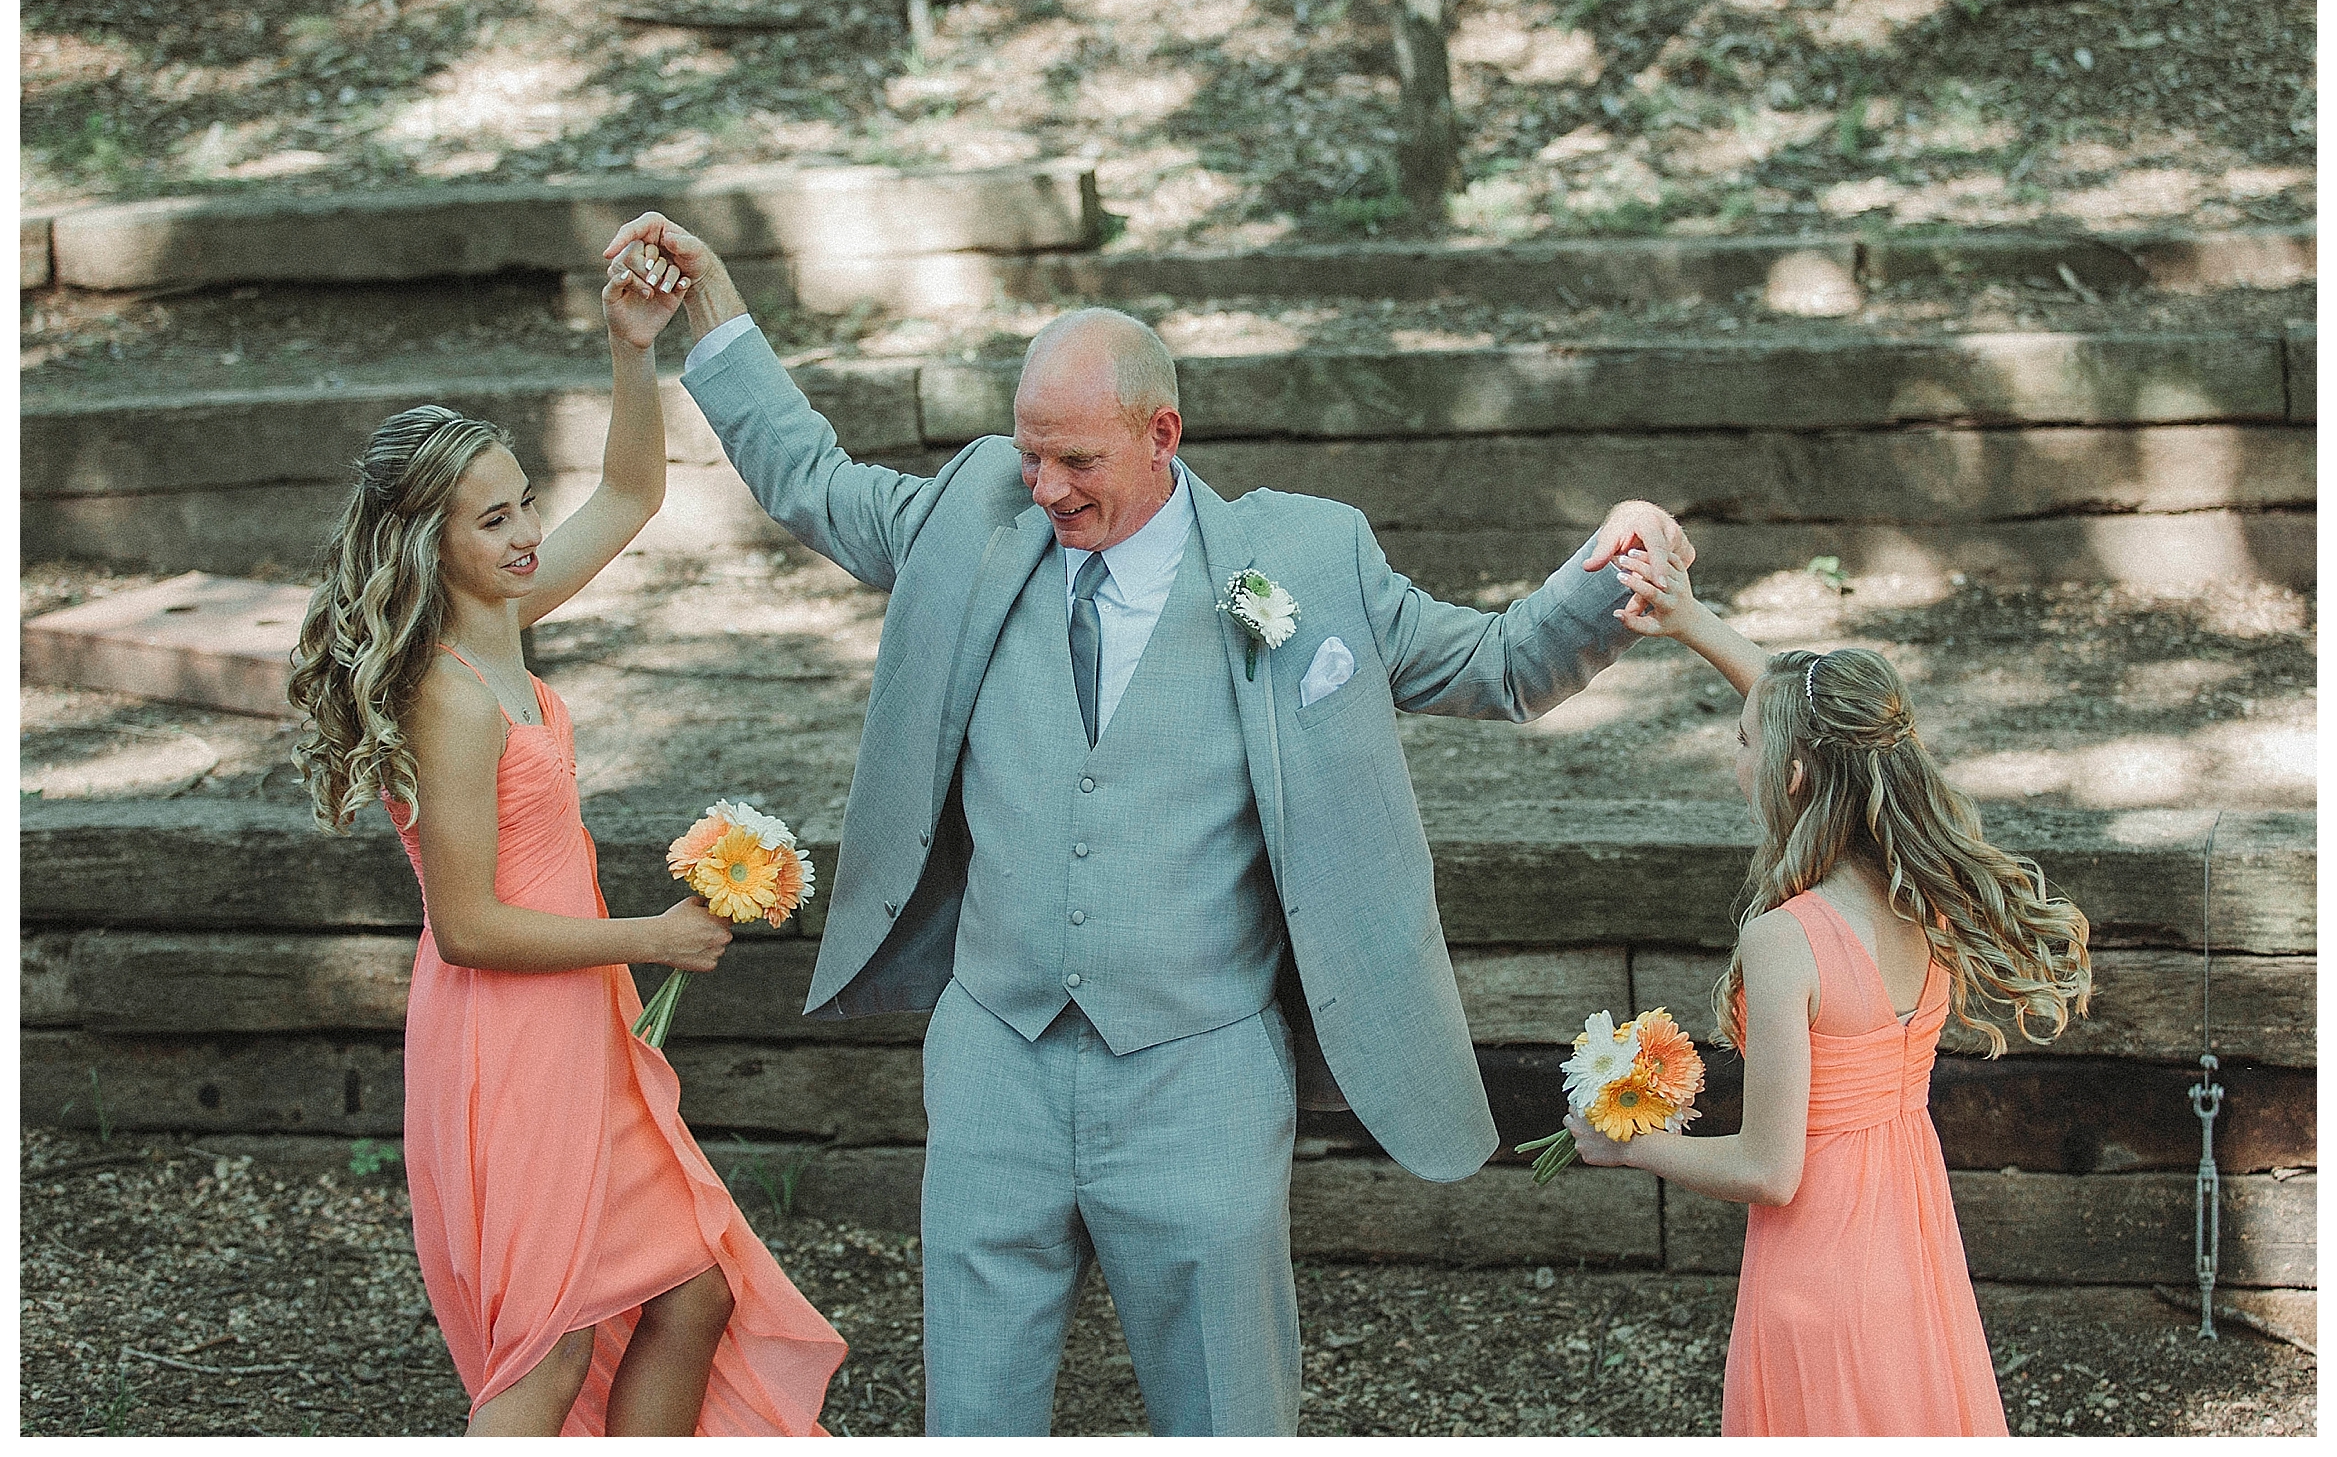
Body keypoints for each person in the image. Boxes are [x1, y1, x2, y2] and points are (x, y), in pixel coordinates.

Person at [601, 210, 1692, 1436]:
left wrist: (1614, 573)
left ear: (1160, 434)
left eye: (1075, 458)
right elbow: (811, 477)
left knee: (1227, 1409)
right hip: (996, 1059)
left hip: (1202, 1073)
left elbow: (1495, 663)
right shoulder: (978, 516)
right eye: (1031, 454)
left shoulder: (1295, 559)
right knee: (973, 1410)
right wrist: (716, 311)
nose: (1046, 485)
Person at [285, 235, 843, 1437]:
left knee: (688, 1292)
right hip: (511, 1030)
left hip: (574, 1008)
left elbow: (633, 494)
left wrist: (629, 350)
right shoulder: (449, 689)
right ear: (429, 543)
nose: (528, 528)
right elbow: (470, 923)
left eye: (524, 498)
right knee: (549, 1347)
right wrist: (650, 933)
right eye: (494, 518)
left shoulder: (505, 611)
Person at [1566, 557, 2091, 1436]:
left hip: (1819, 1268)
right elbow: (1832, 731)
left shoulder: (1784, 941)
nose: (1734, 758)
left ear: (1795, 776)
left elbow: (1769, 1172)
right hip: (1909, 1245)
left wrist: (1629, 1147)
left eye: (1743, 744)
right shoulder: (1926, 897)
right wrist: (1694, 623)